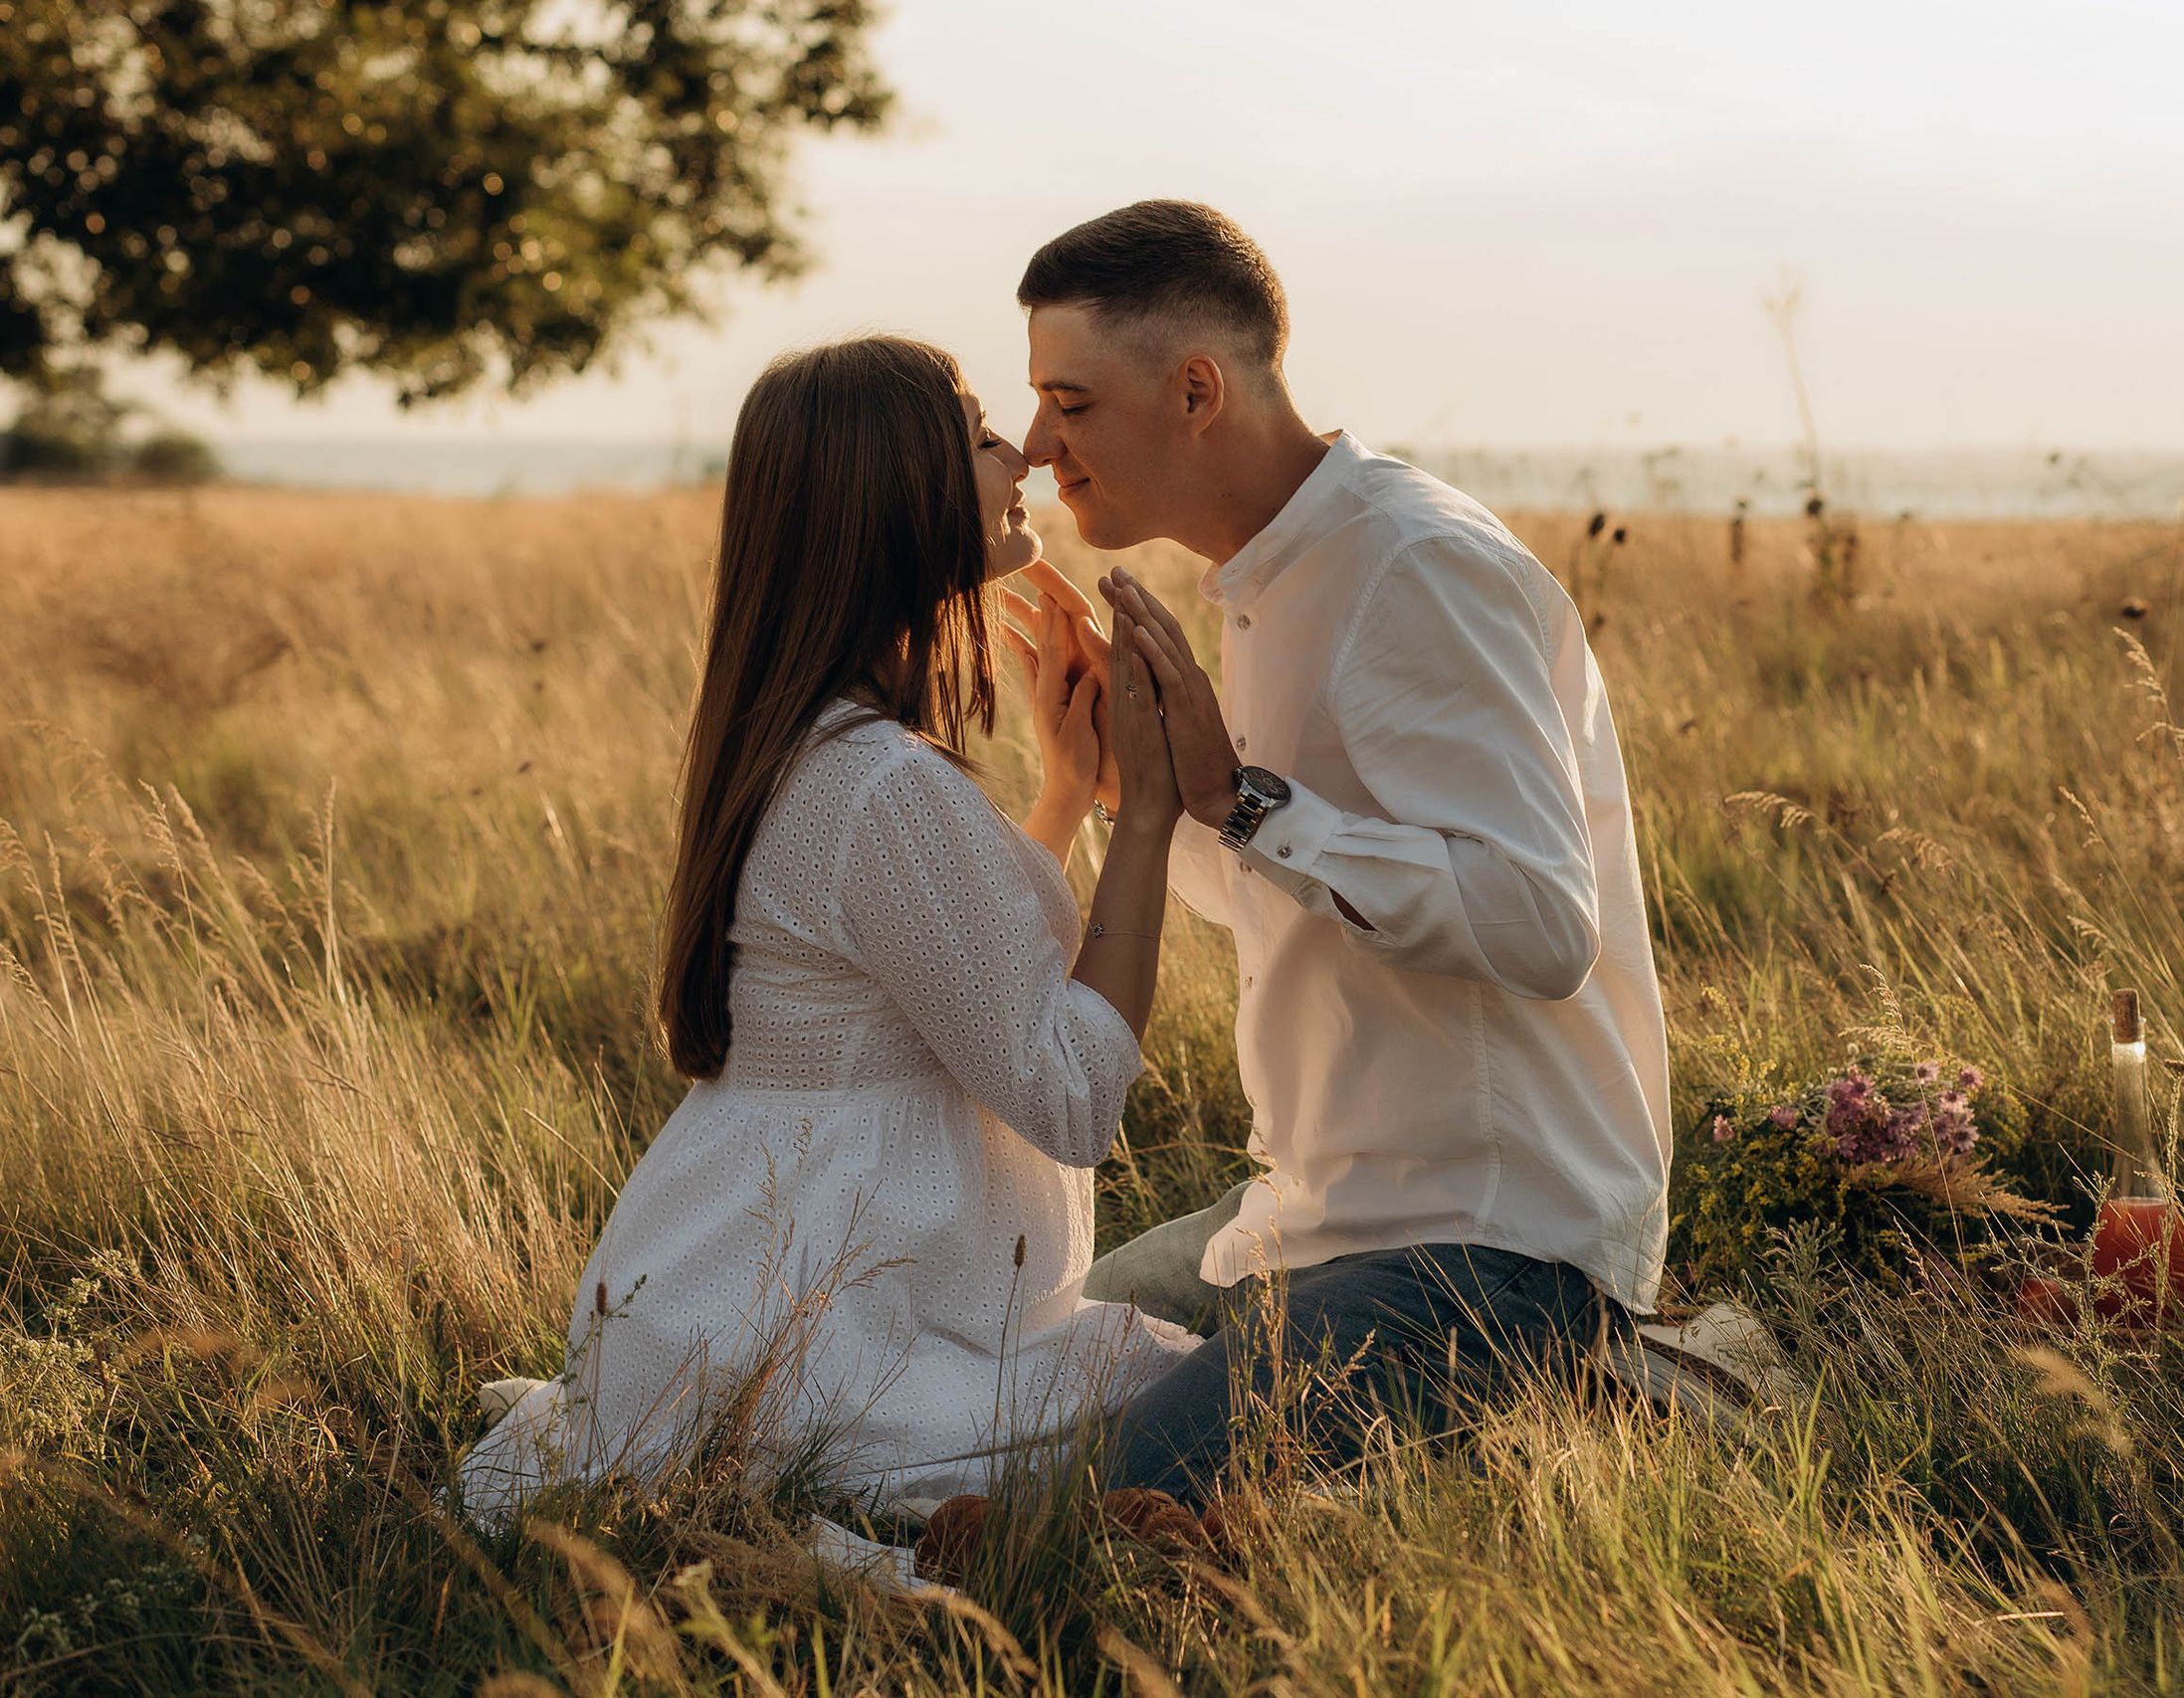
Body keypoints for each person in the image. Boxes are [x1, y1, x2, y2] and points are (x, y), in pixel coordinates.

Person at [457, 335, 1198, 1524]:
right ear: (892, 493)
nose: (1019, 450)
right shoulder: (882, 785)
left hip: (735, 1287)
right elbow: (1069, 1095)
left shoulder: (810, 745)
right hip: (835, 1328)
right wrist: (1148, 815)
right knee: (1212, 1391)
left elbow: (944, 973)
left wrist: (1063, 799)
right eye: (974, 431)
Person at [1014, 202, 1675, 1503]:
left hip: (1485, 1248)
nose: (1039, 447)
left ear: (1195, 388)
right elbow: (1287, 883)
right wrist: (1117, 785)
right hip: (1300, 1219)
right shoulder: (1273, 575)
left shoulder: (1412, 566)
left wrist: (1246, 798)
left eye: (1070, 402)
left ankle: (1568, 1390)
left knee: (1083, 1515)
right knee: (986, 1370)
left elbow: (1544, 925)